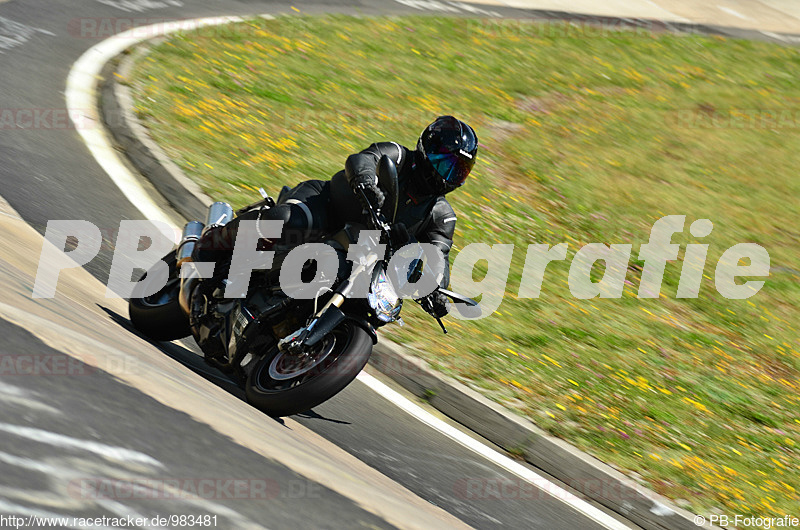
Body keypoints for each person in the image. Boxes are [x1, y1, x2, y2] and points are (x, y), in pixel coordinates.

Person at [193, 115, 478, 319]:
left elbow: (439, 255)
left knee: (373, 304)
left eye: (458, 170)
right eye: (445, 163)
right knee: (289, 220)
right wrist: (366, 182)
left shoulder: (441, 216)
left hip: (362, 253)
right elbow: (363, 159)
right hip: (327, 208)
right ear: (427, 149)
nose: (448, 175)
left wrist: (438, 290)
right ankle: (214, 240)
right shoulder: (398, 156)